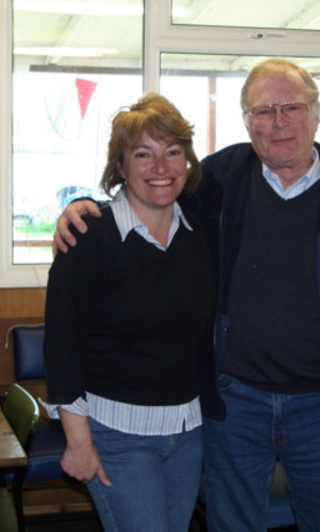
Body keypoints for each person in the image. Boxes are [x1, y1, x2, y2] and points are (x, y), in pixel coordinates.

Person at [54, 58, 320, 531]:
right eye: (264, 111)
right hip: (235, 405)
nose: (278, 122)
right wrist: (83, 208)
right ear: (247, 122)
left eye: (292, 107)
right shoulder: (221, 181)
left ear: (317, 114)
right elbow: (151, 189)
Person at [43, 93, 215, 532]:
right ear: (120, 166)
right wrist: (78, 442)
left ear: (187, 161)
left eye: (172, 152)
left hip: (189, 431)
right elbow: (62, 345)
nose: (160, 167)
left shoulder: (201, 231)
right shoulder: (87, 236)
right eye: (143, 154)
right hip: (117, 435)